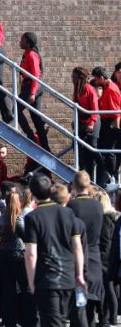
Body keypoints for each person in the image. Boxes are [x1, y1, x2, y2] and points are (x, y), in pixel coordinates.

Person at [24, 173, 86, 327]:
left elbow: (31, 253)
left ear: (31, 193)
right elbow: (77, 247)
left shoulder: (32, 217)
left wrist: (31, 282)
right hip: (67, 276)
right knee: (61, 319)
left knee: (51, 322)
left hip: (47, 277)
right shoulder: (67, 212)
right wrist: (79, 275)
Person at [0, 181, 37, 327]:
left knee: (8, 289)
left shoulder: (2, 217)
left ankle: (9, 320)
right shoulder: (18, 220)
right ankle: (28, 319)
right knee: (25, 288)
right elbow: (26, 237)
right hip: (17, 254)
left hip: (3, 255)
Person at [67, 171, 104, 325]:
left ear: (74, 185)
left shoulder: (71, 206)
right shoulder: (98, 205)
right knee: (91, 308)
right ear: (89, 185)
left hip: (77, 258)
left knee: (78, 308)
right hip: (95, 256)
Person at [17, 32, 50, 152]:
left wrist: (32, 93)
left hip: (33, 85)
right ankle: (46, 148)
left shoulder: (31, 55)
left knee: (15, 109)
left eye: (22, 40)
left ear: (28, 42)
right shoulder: (26, 54)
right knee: (35, 117)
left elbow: (36, 74)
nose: (20, 42)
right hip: (30, 85)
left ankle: (31, 137)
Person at [72, 66, 104, 183]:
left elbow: (94, 109)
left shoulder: (89, 89)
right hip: (81, 123)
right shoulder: (77, 89)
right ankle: (84, 177)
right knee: (80, 150)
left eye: (74, 77)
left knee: (93, 148)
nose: (72, 79)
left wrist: (90, 124)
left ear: (80, 78)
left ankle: (104, 173)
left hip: (93, 122)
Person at [92, 66, 121, 184]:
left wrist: (116, 127)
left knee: (110, 151)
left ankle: (111, 175)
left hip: (110, 123)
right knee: (105, 150)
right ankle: (108, 175)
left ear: (102, 78)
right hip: (106, 122)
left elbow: (115, 110)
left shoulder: (111, 89)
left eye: (97, 79)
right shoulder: (107, 87)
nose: (96, 82)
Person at [94, 189, 118, 327]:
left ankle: (106, 319)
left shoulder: (104, 219)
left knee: (107, 290)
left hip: (104, 258)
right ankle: (112, 318)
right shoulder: (113, 217)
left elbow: (105, 241)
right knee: (111, 289)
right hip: (112, 256)